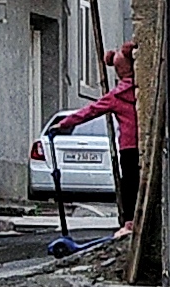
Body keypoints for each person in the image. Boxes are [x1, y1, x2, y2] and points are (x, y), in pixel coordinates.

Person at [53, 42, 139, 238]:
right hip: (143, 143)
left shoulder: (115, 97)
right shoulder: (142, 89)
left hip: (128, 145)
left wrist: (64, 124)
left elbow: (89, 111)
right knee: (138, 181)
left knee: (129, 184)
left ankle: (129, 221)